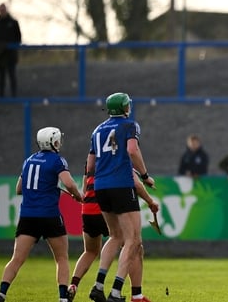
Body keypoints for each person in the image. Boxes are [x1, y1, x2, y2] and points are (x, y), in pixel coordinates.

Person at [0, 127, 83, 302]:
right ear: (54, 142)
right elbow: (69, 183)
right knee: (62, 258)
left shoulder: (29, 160)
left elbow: (19, 189)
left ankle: (1, 293)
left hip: (28, 216)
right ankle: (63, 298)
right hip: (49, 215)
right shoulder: (57, 160)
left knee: (16, 259)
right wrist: (77, 196)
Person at [86, 92, 157, 302]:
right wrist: (144, 175)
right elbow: (132, 150)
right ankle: (116, 291)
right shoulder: (129, 125)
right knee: (133, 240)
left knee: (115, 236)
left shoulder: (97, 130)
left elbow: (90, 166)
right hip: (121, 185)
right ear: (125, 107)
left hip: (100, 186)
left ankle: (98, 285)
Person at [68, 165, 158, 302]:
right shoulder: (118, 155)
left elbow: (86, 185)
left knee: (90, 251)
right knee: (133, 245)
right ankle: (134, 295)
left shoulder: (92, 158)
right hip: (105, 208)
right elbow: (135, 182)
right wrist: (150, 200)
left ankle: (74, 285)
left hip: (87, 209)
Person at [0, 3, 22, 98]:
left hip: (11, 54)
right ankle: (1, 95)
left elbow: (18, 37)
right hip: (0, 55)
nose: (2, 11)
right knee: (1, 76)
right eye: (1, 10)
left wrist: (11, 46)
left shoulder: (13, 23)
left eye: (3, 10)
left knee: (12, 75)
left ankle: (14, 95)